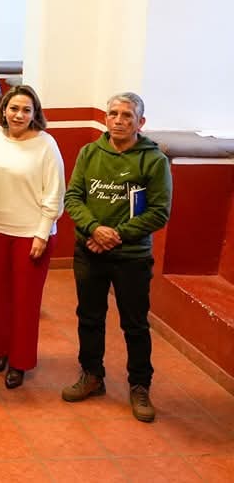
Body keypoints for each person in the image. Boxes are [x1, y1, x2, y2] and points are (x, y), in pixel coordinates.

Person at [62, 92, 172, 422]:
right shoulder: (89, 152)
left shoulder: (154, 160)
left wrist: (116, 235)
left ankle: (140, 385)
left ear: (140, 122)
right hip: (89, 251)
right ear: (106, 118)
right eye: (113, 114)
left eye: (127, 115)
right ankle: (92, 375)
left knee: (134, 324)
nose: (119, 120)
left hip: (132, 256)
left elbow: (159, 212)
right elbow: (73, 197)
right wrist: (95, 229)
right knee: (89, 317)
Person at [0, 85, 65, 389]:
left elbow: (54, 193)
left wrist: (42, 233)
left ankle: (20, 361)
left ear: (34, 113)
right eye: (13, 108)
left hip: (32, 234)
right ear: (3, 110)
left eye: (26, 110)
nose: (18, 115)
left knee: (25, 302)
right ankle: (0, 350)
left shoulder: (46, 145)